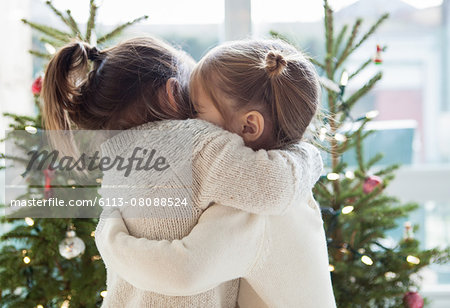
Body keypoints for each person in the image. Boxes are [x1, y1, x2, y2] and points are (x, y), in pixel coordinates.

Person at [41, 37, 327, 307]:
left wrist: (109, 238)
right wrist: (307, 152)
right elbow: (273, 184)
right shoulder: (200, 143)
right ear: (172, 93)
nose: (196, 117)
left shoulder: (119, 160)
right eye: (194, 103)